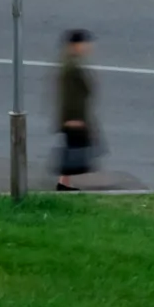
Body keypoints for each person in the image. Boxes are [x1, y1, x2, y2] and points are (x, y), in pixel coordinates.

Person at [53, 30, 100, 189]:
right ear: (75, 45)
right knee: (74, 154)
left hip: (77, 118)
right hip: (75, 119)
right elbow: (68, 96)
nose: (87, 47)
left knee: (73, 152)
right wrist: (72, 118)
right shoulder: (71, 67)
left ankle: (65, 184)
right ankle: (65, 185)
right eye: (84, 43)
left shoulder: (73, 63)